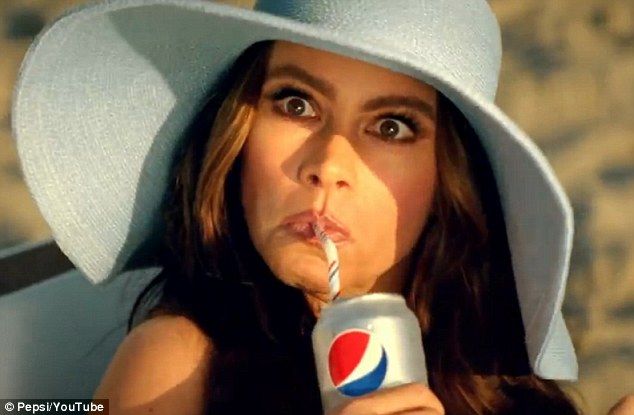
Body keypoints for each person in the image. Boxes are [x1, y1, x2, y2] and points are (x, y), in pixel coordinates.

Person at [14, 0, 629, 414]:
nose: (329, 163)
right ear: (238, 133)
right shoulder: (178, 368)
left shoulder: (494, 366)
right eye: (297, 103)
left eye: (391, 126)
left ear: (448, 176)